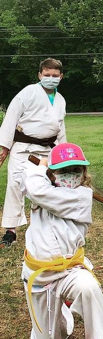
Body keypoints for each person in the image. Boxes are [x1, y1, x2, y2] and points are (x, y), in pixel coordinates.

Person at [16, 143, 103, 339]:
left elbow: (36, 190)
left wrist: (42, 166)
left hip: (70, 271)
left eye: (76, 170)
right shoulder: (44, 190)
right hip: (40, 275)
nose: (71, 176)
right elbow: (24, 181)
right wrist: (41, 169)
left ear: (84, 174)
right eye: (64, 171)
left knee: (89, 287)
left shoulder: (81, 198)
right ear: (53, 174)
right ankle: (63, 311)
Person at [0, 58, 67, 248]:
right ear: (39, 75)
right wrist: (4, 148)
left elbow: (60, 128)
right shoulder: (28, 92)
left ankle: (43, 227)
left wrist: (64, 153)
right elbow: (11, 118)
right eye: (47, 75)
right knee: (14, 185)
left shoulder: (60, 100)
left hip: (47, 151)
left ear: (61, 77)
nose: (51, 79)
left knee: (43, 187)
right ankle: (10, 231)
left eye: (55, 76)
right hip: (23, 149)